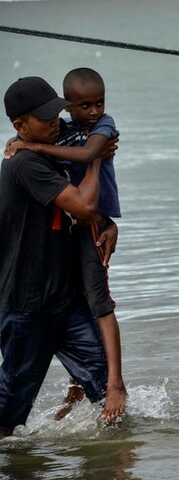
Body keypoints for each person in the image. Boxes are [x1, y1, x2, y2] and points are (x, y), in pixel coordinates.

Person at [5, 68, 127, 421]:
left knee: (105, 388)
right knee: (11, 404)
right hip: (28, 302)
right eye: (44, 117)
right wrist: (95, 160)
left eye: (55, 111)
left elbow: (86, 205)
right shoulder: (27, 162)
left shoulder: (58, 145)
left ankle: (103, 393)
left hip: (61, 290)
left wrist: (109, 221)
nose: (55, 121)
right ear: (20, 125)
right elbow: (84, 204)